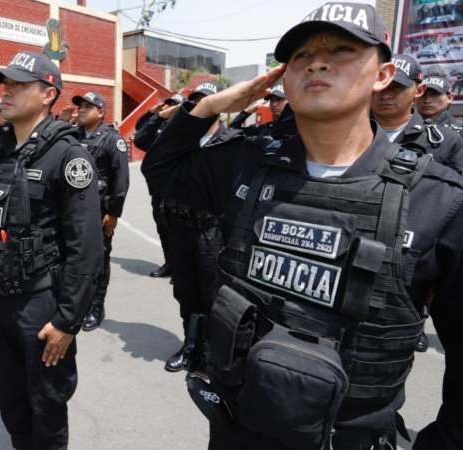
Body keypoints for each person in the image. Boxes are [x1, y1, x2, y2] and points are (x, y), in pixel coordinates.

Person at [142, 3, 463, 449]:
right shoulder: (247, 164)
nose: (317, 62)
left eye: (342, 49)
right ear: (283, 78)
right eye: (299, 57)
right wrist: (211, 106)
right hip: (238, 425)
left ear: (383, 74)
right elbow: (163, 172)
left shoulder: (439, 199)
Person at [0, 50, 103, 450]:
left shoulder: (68, 156)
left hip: (40, 302)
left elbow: (87, 248)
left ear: (48, 94)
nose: (5, 92)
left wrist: (67, 321)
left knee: (46, 399)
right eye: (3, 83)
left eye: (17, 84)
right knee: (10, 393)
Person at [148, 82, 239, 373]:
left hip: (211, 232)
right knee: (185, 292)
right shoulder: (177, 142)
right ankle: (191, 346)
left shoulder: (234, 141)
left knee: (212, 296)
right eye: (197, 102)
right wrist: (164, 116)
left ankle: (211, 354)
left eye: (209, 101)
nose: (204, 106)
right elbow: (142, 140)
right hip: (178, 229)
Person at [70, 91, 129, 332]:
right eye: (80, 105)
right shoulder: (73, 135)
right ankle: (77, 304)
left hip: (99, 211)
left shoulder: (112, 140)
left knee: (98, 261)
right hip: (73, 210)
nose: (81, 109)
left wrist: (113, 214)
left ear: (101, 112)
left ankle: (96, 306)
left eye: (88, 106)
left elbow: (121, 181)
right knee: (73, 258)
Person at [371, 54, 463, 174]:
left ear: (419, 90)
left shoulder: (446, 141)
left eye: (396, 87)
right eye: (380, 85)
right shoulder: (344, 134)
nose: (386, 95)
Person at [134, 93, 185, 279]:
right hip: (158, 190)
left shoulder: (184, 129)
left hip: (178, 190)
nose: (169, 108)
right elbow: (139, 135)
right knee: (163, 229)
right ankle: (169, 264)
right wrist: (154, 113)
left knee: (179, 230)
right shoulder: (158, 127)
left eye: (175, 105)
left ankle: (182, 267)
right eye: (168, 104)